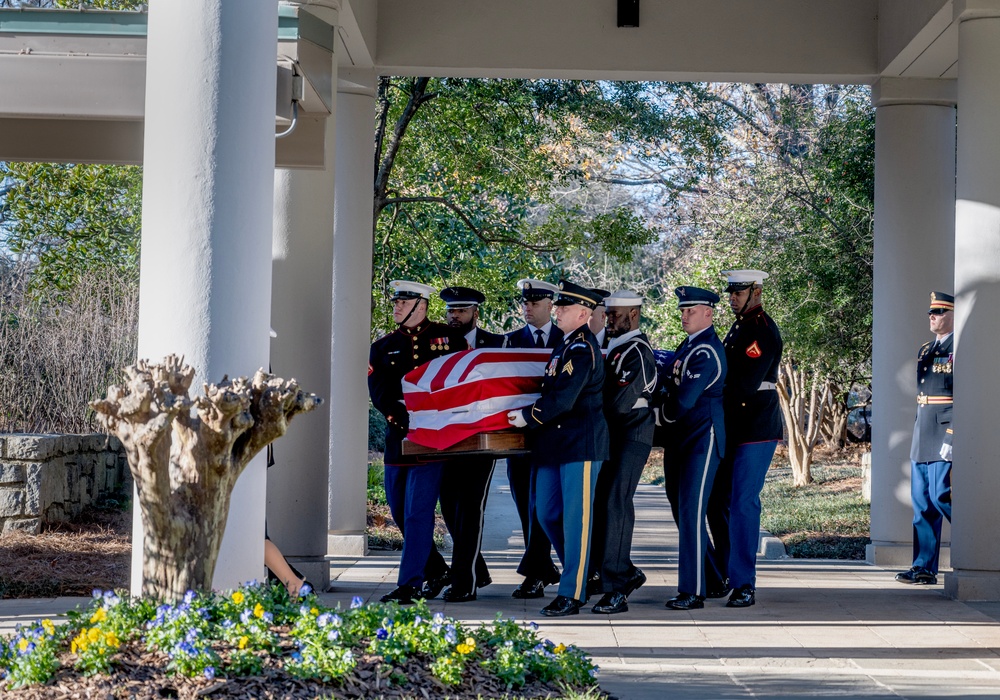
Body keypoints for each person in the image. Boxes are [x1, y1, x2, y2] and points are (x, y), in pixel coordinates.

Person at [508, 280, 609, 616]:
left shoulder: (582, 349)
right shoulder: (565, 347)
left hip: (580, 445)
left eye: (564, 308)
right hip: (556, 446)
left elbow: (563, 400)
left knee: (575, 521)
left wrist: (527, 416)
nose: (557, 311)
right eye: (558, 306)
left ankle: (573, 591)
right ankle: (583, 571)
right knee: (547, 514)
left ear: (583, 313)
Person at [368, 280, 467, 604]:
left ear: (420, 306)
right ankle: (436, 570)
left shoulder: (449, 339)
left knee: (417, 513)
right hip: (400, 437)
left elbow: (460, 381)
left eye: (403, 302)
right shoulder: (383, 346)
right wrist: (399, 414)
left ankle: (409, 584)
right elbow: (380, 390)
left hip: (434, 441)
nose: (396, 307)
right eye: (396, 302)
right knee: (399, 510)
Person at [704, 270, 783, 608]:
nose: (733, 298)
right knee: (714, 501)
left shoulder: (761, 329)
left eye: (739, 293)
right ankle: (724, 572)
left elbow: (743, 385)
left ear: (757, 291)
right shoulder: (739, 327)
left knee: (742, 503)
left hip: (754, 426)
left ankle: (744, 583)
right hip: (734, 426)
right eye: (731, 293)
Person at [656, 286, 727, 611]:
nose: (684, 315)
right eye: (682, 310)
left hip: (701, 440)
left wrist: (656, 412)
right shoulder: (689, 346)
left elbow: (683, 399)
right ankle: (712, 578)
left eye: (691, 310)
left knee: (690, 512)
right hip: (681, 440)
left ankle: (692, 591)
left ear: (709, 313)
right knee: (681, 511)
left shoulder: (706, 351)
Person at [589, 289, 658, 615]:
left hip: (631, 435)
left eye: (614, 315)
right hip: (613, 437)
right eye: (607, 314)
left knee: (615, 502)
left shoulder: (636, 350)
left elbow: (620, 403)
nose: (608, 320)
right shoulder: (615, 348)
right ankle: (619, 572)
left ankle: (618, 585)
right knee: (604, 503)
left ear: (632, 315)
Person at [434, 286, 504, 602]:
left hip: (482, 439)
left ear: (476, 313)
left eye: (461, 311)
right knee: (448, 504)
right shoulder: (436, 344)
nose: (454, 316)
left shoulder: (497, 344)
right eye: (450, 311)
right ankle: (478, 568)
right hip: (446, 437)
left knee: (471, 507)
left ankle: (465, 582)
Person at [504, 279, 563, 598]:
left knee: (544, 507)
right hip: (519, 438)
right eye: (525, 303)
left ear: (550, 305)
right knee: (526, 507)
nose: (528, 307)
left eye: (535, 303)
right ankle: (540, 569)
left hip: (553, 436)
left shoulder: (565, 339)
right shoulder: (509, 341)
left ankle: (536, 574)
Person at [896, 291, 954, 586]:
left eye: (940, 312)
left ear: (953, 315)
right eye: (932, 312)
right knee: (922, 503)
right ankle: (923, 567)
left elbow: (962, 396)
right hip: (924, 432)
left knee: (942, 495)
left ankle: (980, 548)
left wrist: (953, 435)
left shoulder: (960, 348)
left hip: (944, 431)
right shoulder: (925, 350)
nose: (933, 316)